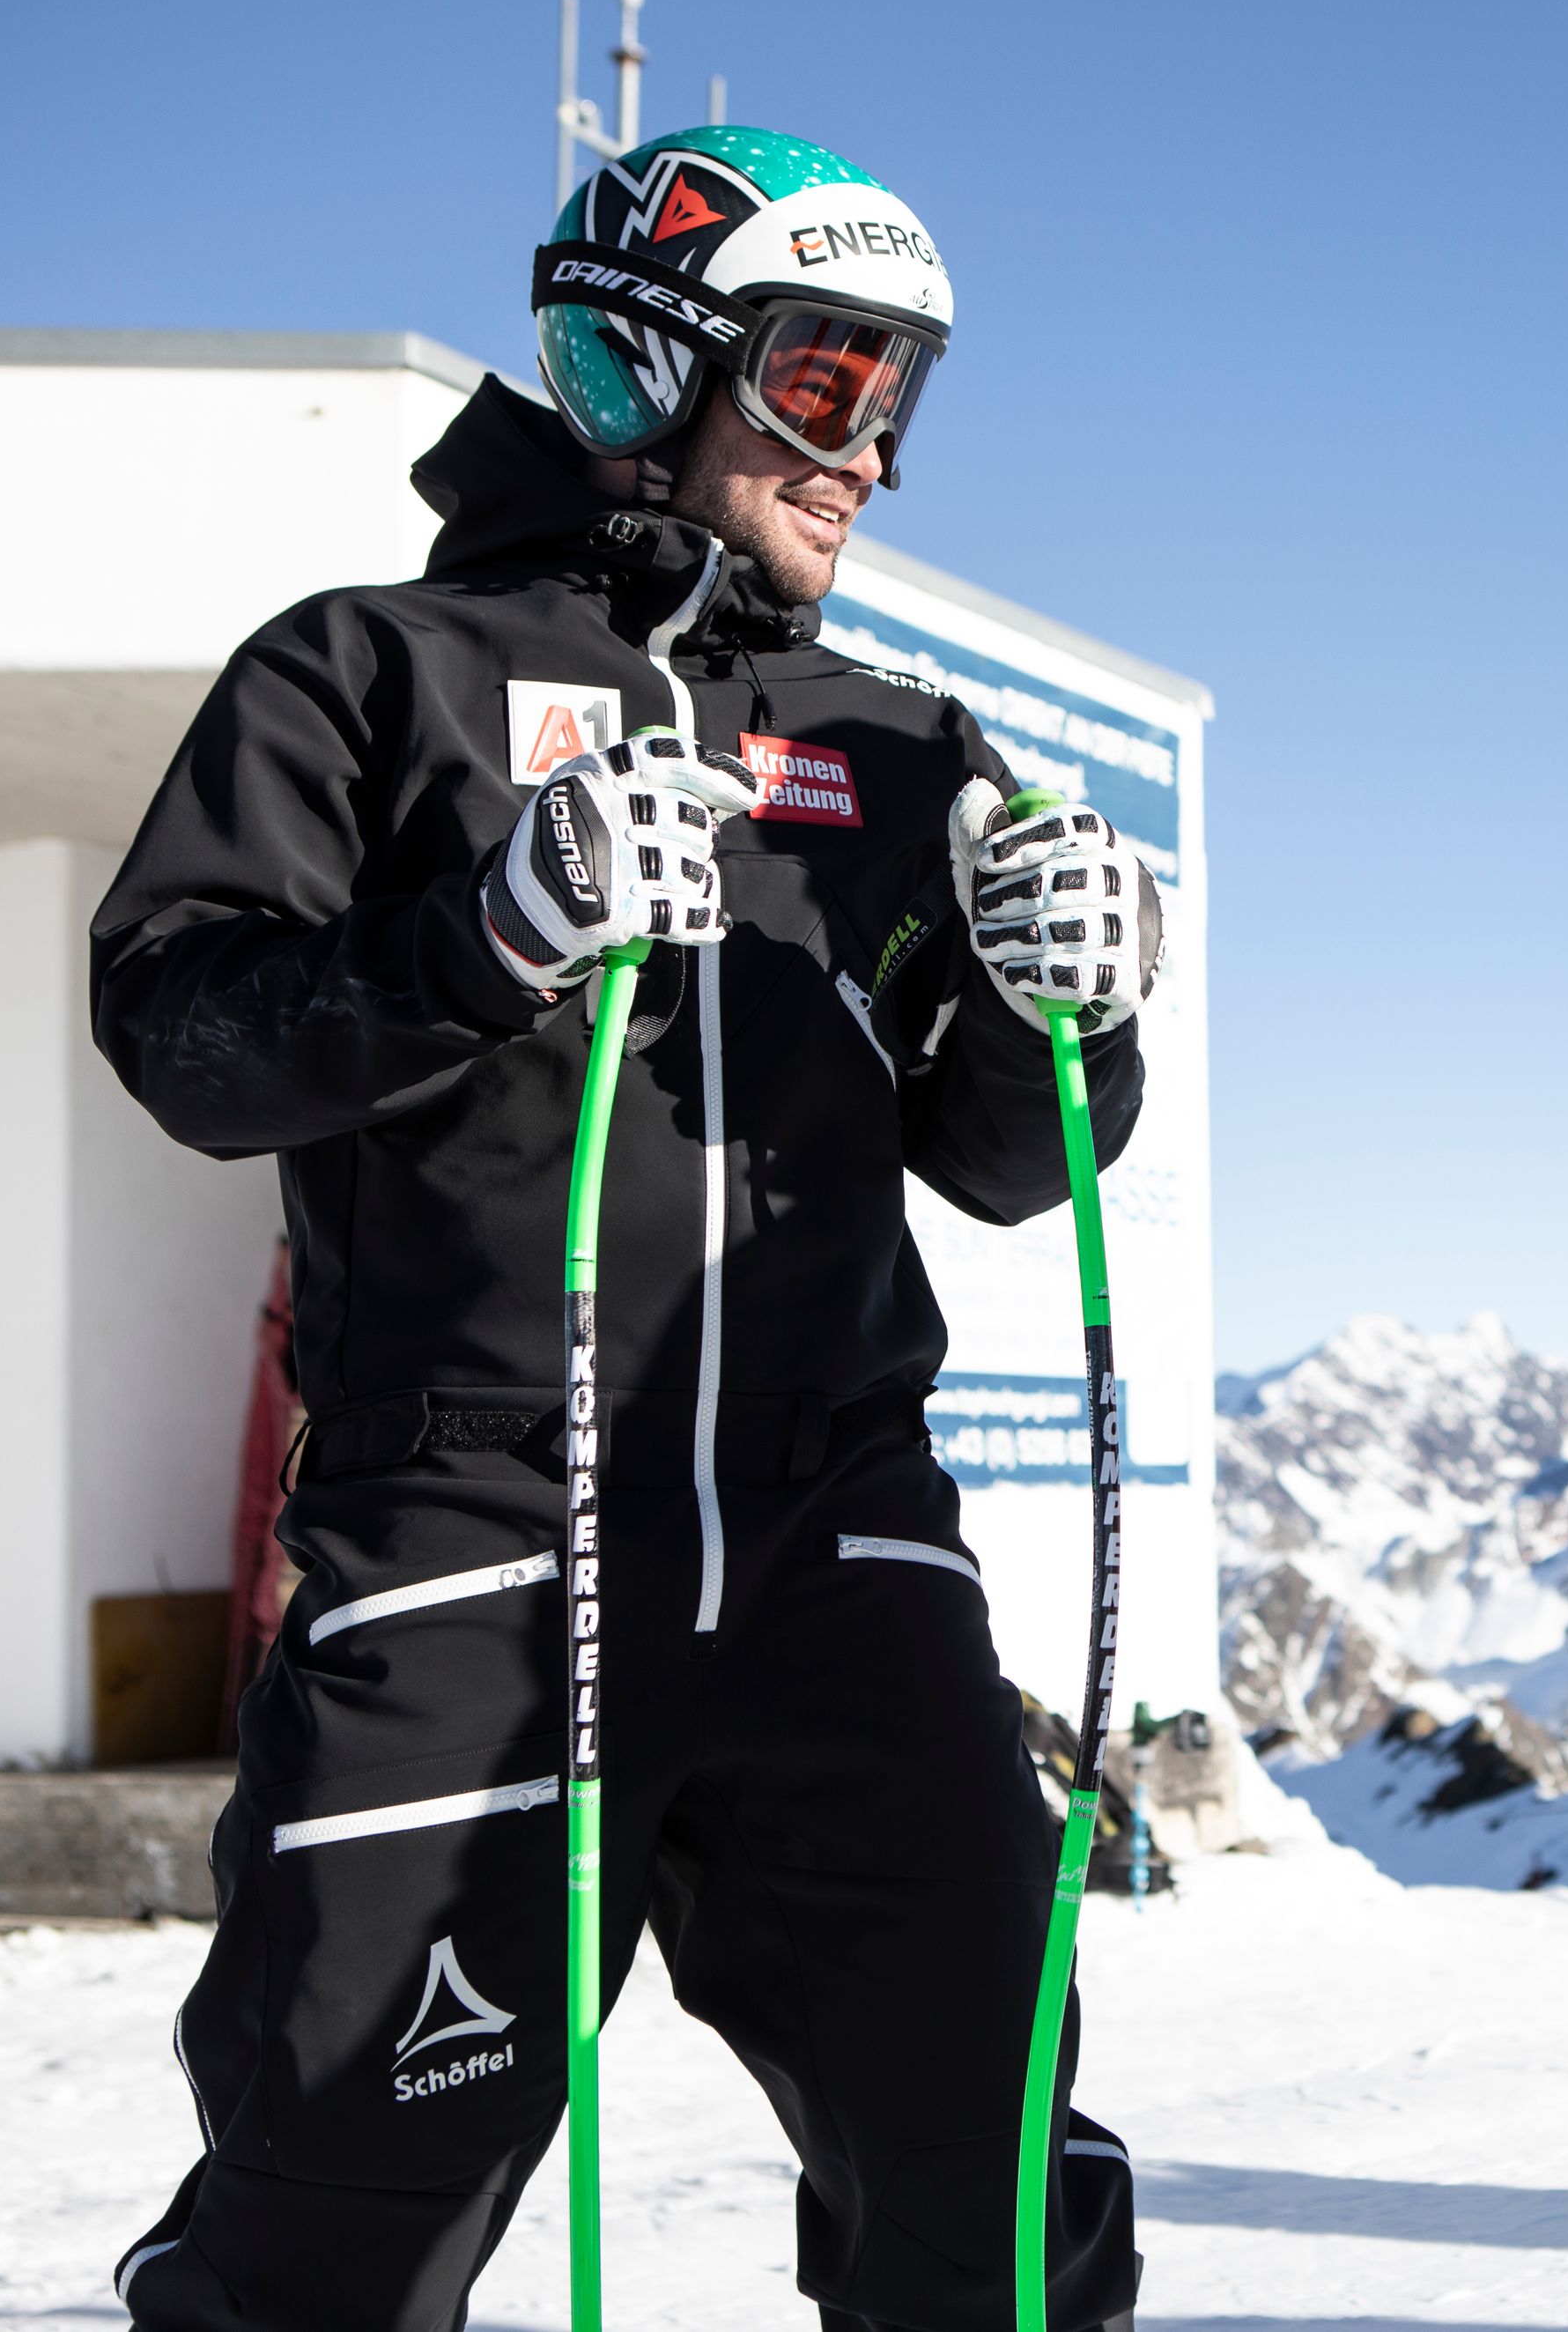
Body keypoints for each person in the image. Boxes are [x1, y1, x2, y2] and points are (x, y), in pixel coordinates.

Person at [92, 126, 1156, 2332]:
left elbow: (998, 1156)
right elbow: (185, 1030)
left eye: (899, 396)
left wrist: (1070, 1008)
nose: (870, 456)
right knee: (329, 2219)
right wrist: (487, 931)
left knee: (997, 2205)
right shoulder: (367, 675)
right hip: (481, 1537)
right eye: (827, 379)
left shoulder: (899, 747)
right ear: (639, 360)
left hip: (841, 1548)